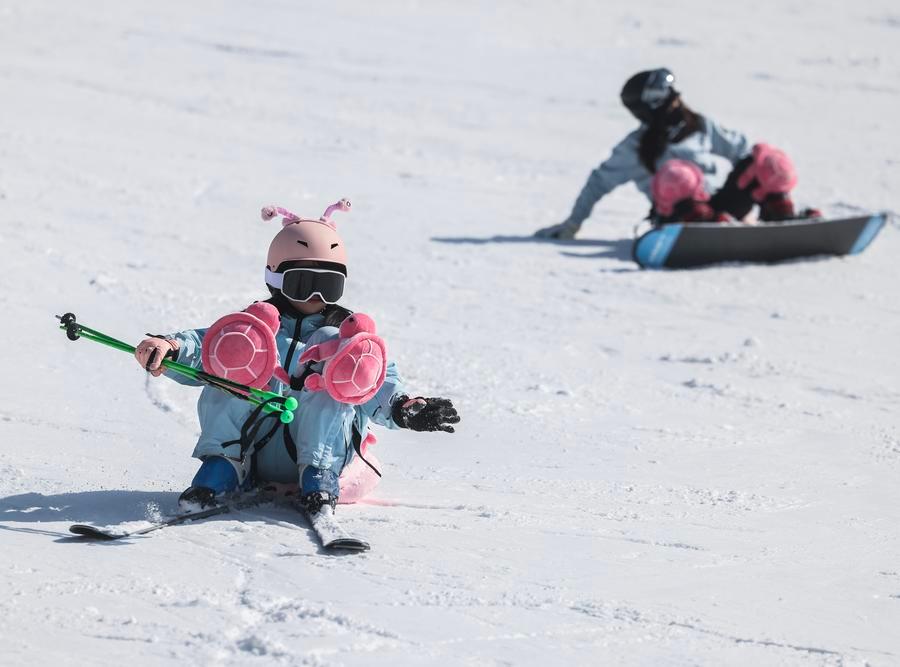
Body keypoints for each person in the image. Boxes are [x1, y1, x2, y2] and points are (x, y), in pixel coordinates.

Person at [133, 199, 459, 516]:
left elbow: (375, 380)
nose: (316, 296)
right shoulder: (252, 330)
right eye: (304, 283)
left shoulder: (346, 338)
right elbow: (205, 347)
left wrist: (403, 407)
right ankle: (222, 468)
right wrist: (171, 347)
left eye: (329, 286)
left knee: (334, 349)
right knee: (234, 360)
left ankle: (318, 477)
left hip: (326, 455)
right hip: (253, 454)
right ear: (276, 279)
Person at [535, 68, 806, 238]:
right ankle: (702, 226)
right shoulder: (636, 147)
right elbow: (599, 182)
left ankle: (780, 216)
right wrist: (573, 224)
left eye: (671, 91)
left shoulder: (700, 125)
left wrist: (763, 182)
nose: (675, 98)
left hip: (720, 208)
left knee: (769, 159)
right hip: (677, 219)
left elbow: (745, 152)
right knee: (678, 175)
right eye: (662, 95)